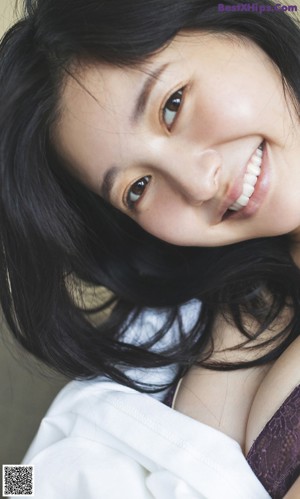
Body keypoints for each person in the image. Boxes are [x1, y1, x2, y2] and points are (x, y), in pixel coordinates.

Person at [0, 0, 299, 497]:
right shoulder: (189, 327)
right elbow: (25, 482)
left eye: (173, 104)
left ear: (227, 21)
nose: (199, 183)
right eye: (137, 188)